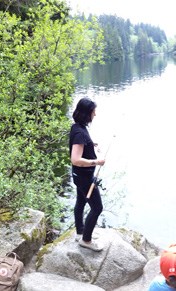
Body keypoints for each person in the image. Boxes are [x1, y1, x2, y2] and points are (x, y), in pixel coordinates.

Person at [69, 97, 105, 251]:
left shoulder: (77, 127)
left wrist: (91, 144)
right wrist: (97, 162)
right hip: (84, 177)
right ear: (86, 113)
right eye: (93, 112)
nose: (95, 114)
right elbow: (76, 159)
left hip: (79, 176)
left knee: (81, 202)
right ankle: (86, 240)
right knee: (97, 208)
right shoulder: (80, 134)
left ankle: (80, 232)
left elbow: (81, 145)